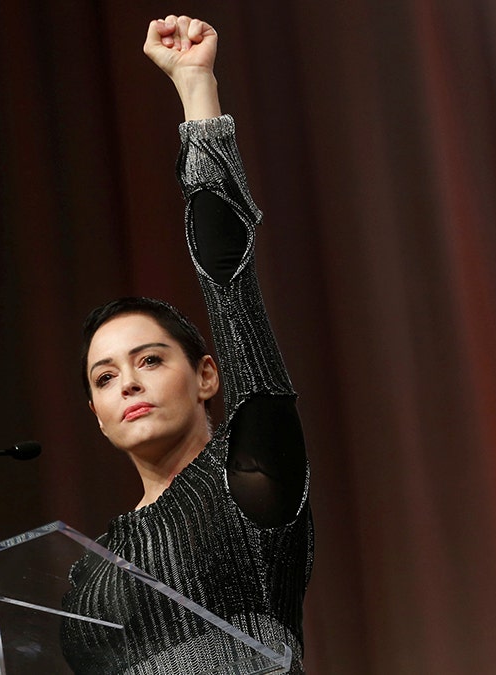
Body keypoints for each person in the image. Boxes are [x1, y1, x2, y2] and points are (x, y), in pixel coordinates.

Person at [61, 15, 313, 674]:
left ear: (206, 375)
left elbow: (230, 285)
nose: (130, 385)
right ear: (94, 411)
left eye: (149, 359)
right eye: (105, 377)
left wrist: (197, 90)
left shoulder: (249, 480)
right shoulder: (88, 574)